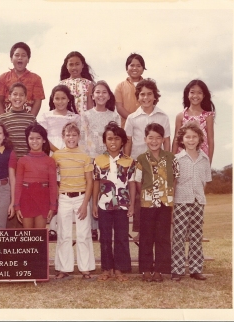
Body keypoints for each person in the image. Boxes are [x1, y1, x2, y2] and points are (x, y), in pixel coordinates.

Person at [124, 78, 170, 241]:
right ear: (138, 97)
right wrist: (128, 161)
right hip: (138, 162)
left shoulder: (163, 116)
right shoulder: (132, 118)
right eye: (142, 94)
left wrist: (167, 161)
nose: (146, 98)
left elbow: (166, 141)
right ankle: (141, 230)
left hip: (158, 163)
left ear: (155, 96)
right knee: (139, 197)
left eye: (149, 94)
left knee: (157, 195)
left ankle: (158, 229)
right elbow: (128, 141)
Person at [135, 123, 180, 283]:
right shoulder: (140, 159)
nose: (154, 141)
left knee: (162, 237)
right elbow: (138, 182)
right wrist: (147, 195)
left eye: (158, 138)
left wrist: (168, 196)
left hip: (165, 203)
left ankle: (159, 270)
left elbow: (174, 179)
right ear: (145, 139)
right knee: (146, 237)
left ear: (163, 139)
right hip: (147, 204)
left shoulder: (170, 158)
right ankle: (146, 270)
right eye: (151, 138)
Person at [92, 121, 136, 282]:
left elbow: (131, 183)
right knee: (104, 237)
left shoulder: (129, 161)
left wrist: (131, 204)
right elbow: (96, 182)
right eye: (109, 138)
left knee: (121, 237)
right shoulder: (98, 160)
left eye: (117, 139)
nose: (113, 142)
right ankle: (106, 269)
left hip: (122, 205)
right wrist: (94, 203)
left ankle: (120, 269)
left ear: (122, 141)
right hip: (104, 205)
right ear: (105, 141)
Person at [52, 122, 95, 280]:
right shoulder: (57, 156)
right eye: (68, 135)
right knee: (64, 234)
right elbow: (54, 180)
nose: (71, 138)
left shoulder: (84, 156)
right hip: (64, 197)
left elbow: (90, 181)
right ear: (63, 137)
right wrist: (57, 198)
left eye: (74, 135)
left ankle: (85, 268)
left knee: (83, 234)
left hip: (81, 197)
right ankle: (64, 268)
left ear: (79, 137)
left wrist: (85, 204)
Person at [79, 80, 121, 241]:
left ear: (109, 95)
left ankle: (105, 226)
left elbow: (117, 138)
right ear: (92, 95)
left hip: (109, 159)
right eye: (97, 92)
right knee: (91, 193)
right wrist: (89, 159)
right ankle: (93, 227)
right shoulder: (86, 115)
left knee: (107, 191)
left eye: (104, 92)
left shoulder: (114, 116)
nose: (101, 95)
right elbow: (83, 139)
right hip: (90, 158)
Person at [171, 122, 212, 281]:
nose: (191, 140)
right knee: (179, 235)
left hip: (198, 201)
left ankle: (195, 269)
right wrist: (173, 202)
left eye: (194, 137)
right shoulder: (177, 159)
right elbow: (174, 182)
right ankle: (177, 269)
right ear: (182, 139)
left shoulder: (204, 159)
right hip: (181, 201)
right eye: (188, 137)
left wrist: (199, 196)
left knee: (196, 235)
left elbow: (205, 182)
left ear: (200, 139)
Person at [39, 84, 80, 240]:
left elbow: (76, 138)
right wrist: (57, 152)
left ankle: (64, 226)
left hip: (69, 154)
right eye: (57, 98)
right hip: (51, 153)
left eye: (63, 98)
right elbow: (43, 138)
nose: (60, 101)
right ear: (52, 99)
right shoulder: (46, 116)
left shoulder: (75, 117)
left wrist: (66, 153)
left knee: (64, 189)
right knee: (52, 189)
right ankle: (52, 227)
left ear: (68, 99)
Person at [14, 123, 58, 229]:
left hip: (43, 199)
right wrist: (17, 206)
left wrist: (52, 206)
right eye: (31, 138)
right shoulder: (22, 160)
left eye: (38, 138)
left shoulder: (50, 161)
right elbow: (18, 184)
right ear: (27, 140)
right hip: (26, 199)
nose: (35, 141)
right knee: (28, 235)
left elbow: (53, 185)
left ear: (44, 140)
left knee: (40, 235)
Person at [0, 42, 45, 116]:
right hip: (8, 119)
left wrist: (30, 120)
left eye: (23, 55)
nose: (20, 58)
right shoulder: (3, 77)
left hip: (27, 119)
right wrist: (3, 119)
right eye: (17, 55)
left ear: (28, 59)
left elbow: (37, 101)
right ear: (11, 59)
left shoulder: (36, 79)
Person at [172, 79, 215, 163]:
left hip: (201, 158)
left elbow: (211, 140)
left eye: (199, 92)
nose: (195, 95)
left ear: (204, 95)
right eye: (192, 92)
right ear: (187, 94)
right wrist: (172, 161)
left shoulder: (208, 117)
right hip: (182, 158)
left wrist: (209, 162)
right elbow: (176, 140)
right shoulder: (180, 116)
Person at [0, 82, 36, 159]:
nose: (18, 97)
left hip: (27, 160)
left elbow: (34, 139)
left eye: (21, 95)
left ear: (25, 98)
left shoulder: (31, 119)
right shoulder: (3, 118)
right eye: (15, 94)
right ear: (9, 97)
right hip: (9, 160)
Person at [114, 53, 146, 127]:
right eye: (132, 65)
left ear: (143, 69)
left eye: (138, 66)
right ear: (126, 68)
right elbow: (119, 108)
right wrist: (134, 120)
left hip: (145, 126)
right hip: (126, 126)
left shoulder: (149, 86)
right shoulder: (120, 87)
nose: (135, 68)